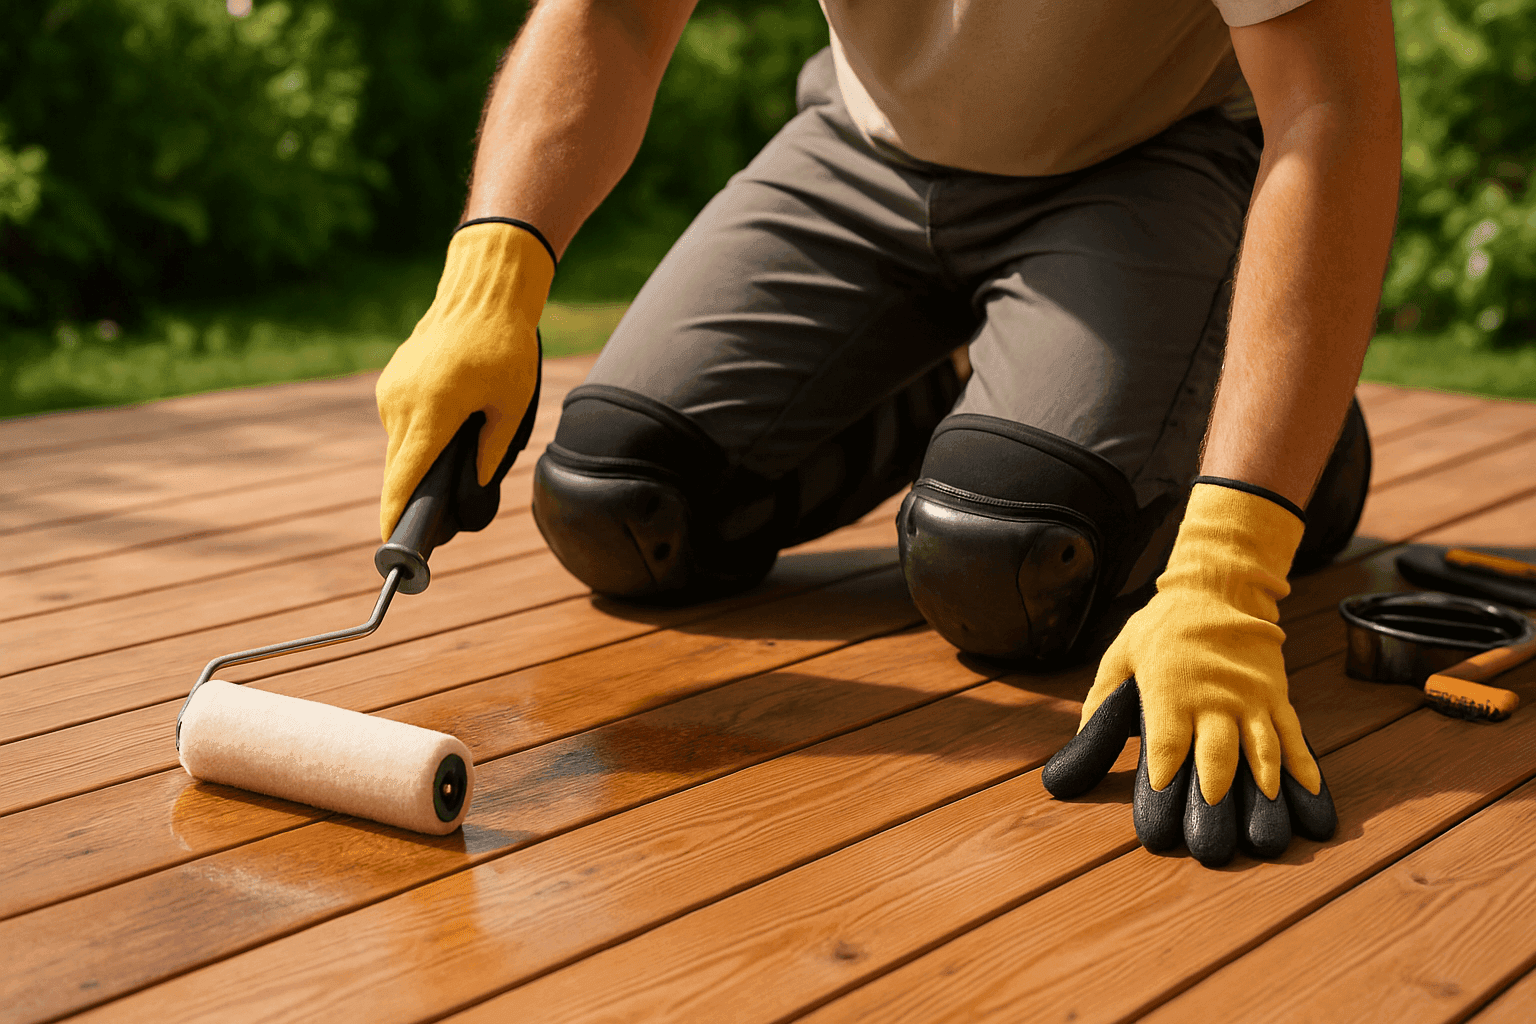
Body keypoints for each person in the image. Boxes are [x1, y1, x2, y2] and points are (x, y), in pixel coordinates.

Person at [373, 0, 1402, 867]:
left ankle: (1283, 449)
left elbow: (1329, 107)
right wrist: (491, 281)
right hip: (867, 151)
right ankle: (1011, 392)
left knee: (1014, 565)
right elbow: (616, 13)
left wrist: (1231, 563)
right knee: (622, 501)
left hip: (1151, 157)